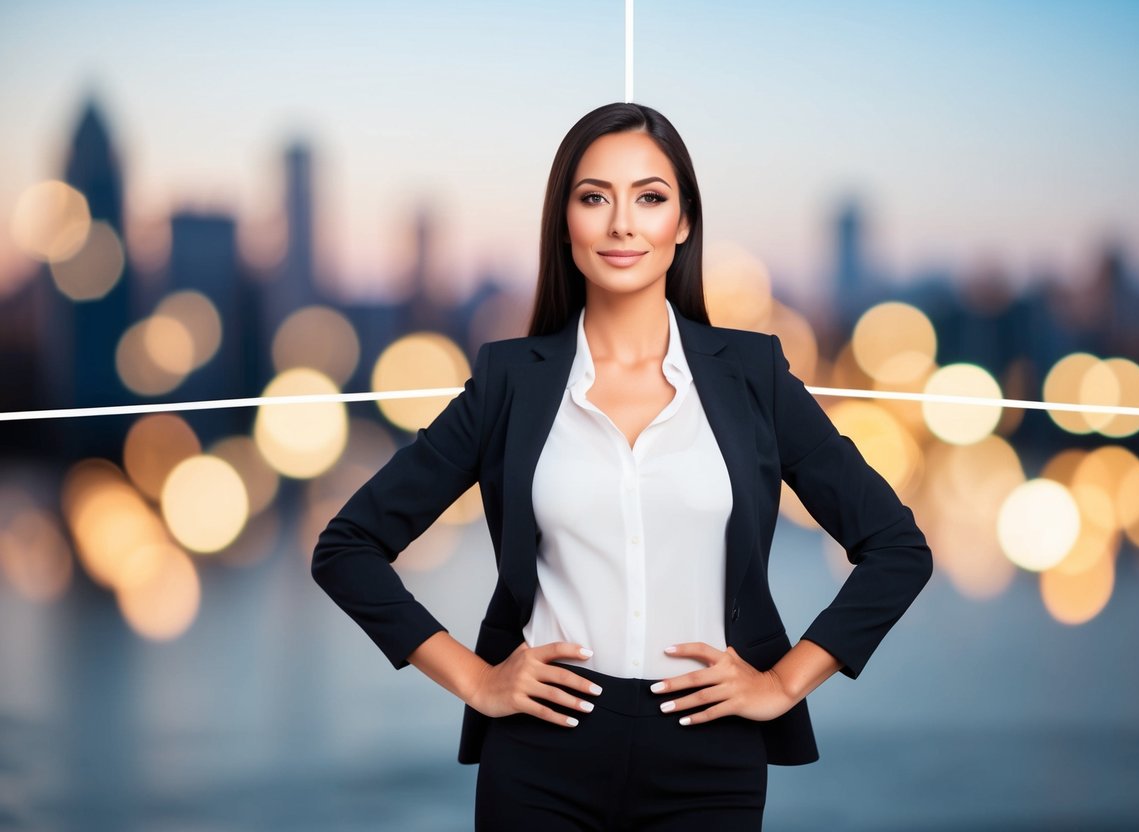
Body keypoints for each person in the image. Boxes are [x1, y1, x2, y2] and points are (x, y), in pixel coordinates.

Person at [311, 102, 932, 831]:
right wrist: (475, 679)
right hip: (541, 753)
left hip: (711, 755)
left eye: (649, 197)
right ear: (564, 221)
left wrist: (784, 683)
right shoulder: (511, 382)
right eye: (593, 197)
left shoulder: (751, 376)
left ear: (684, 221)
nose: (620, 224)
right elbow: (346, 549)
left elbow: (896, 548)